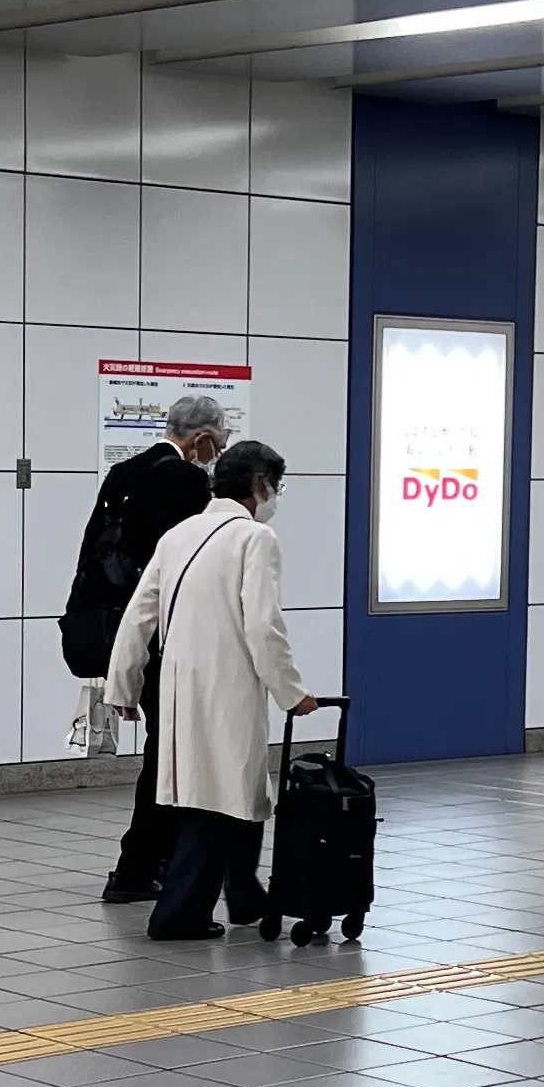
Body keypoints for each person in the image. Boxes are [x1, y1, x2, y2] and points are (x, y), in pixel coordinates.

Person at [106, 438, 314, 939]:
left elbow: (140, 615)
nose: (275, 498)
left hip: (178, 686)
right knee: (219, 797)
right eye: (276, 487)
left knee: (228, 792)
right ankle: (178, 915)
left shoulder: (180, 533)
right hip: (229, 684)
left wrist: (123, 685)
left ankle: (244, 897)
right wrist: (292, 692)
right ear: (259, 486)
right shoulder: (254, 540)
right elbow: (263, 626)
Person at [68, 393, 226, 902]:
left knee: (164, 749)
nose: (217, 455)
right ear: (201, 439)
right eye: (218, 445)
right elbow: (182, 567)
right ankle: (139, 866)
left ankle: (149, 862)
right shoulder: (185, 481)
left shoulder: (124, 471)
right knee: (168, 752)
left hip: (117, 626)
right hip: (162, 635)